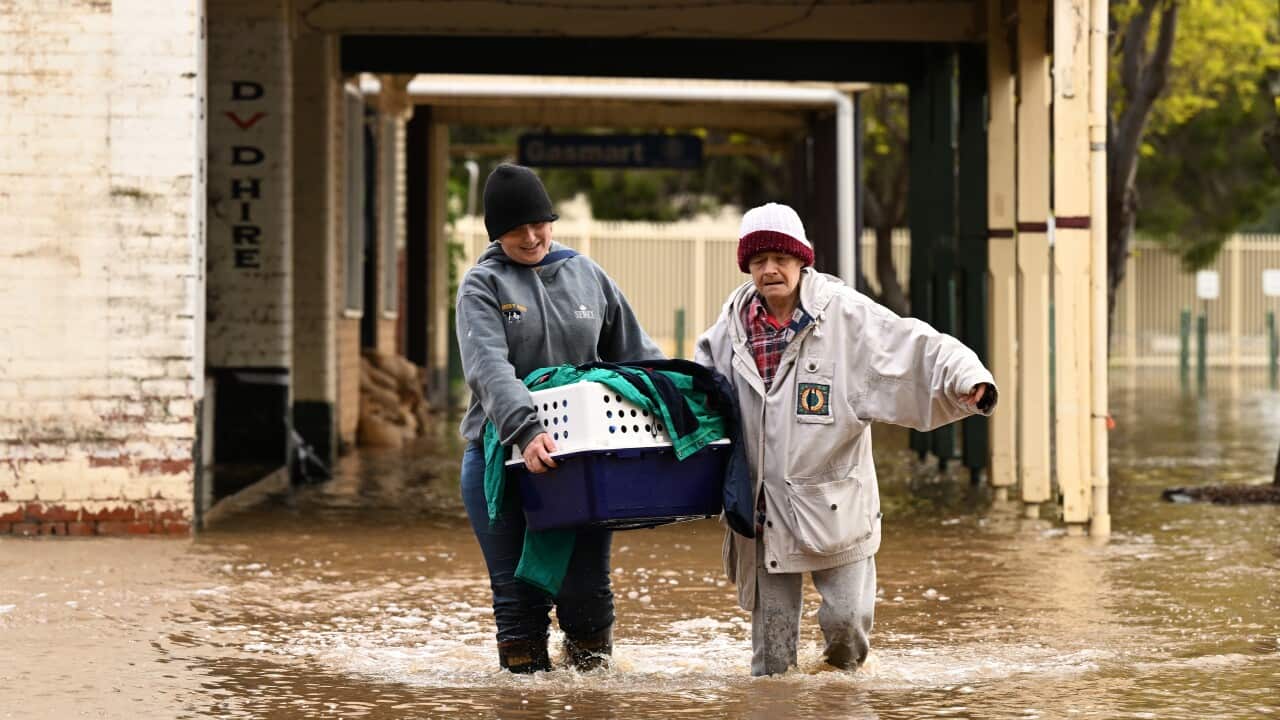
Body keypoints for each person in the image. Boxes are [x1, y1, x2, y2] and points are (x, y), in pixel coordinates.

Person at [694, 202, 996, 676]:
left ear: (801, 259)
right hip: (762, 510)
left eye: (780, 258)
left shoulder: (846, 315)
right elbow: (700, 394)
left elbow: (914, 345)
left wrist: (965, 377)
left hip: (835, 504)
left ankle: (838, 698)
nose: (770, 270)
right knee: (772, 664)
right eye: (757, 261)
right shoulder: (728, 328)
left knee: (848, 630)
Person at [455, 163, 664, 673]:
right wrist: (526, 432)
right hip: (502, 460)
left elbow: (637, 357)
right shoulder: (481, 287)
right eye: (515, 229)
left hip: (583, 464)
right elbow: (490, 370)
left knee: (587, 595)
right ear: (495, 233)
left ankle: (591, 695)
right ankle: (523, 699)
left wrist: (679, 405)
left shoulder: (587, 275)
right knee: (519, 601)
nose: (531, 237)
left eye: (540, 223)